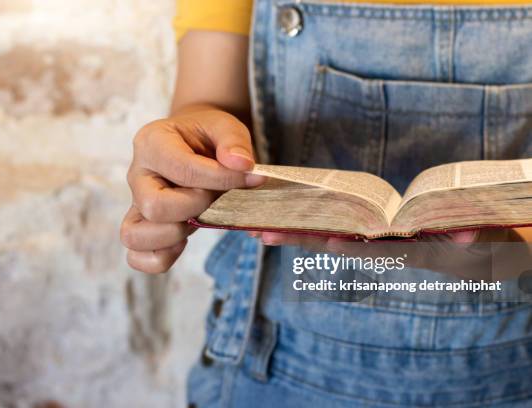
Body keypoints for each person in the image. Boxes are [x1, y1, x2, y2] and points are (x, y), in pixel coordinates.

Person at [121, 0, 532, 406]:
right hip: (274, 357)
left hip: (514, 364)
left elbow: (515, 258)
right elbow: (205, 105)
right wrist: (184, 155)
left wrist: (498, 256)